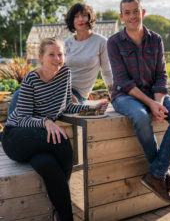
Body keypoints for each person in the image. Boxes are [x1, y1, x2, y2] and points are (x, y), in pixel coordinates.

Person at [1, 37, 108, 221]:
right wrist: (46, 122)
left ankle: (63, 213)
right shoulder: (31, 80)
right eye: (52, 54)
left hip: (39, 141)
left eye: (60, 54)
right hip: (15, 137)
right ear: (41, 57)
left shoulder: (65, 73)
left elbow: (66, 106)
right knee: (62, 140)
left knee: (48, 165)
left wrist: (91, 107)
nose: (57, 59)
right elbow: (22, 119)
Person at [107, 0, 170, 205]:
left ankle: (155, 174)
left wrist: (158, 101)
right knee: (140, 117)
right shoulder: (113, 42)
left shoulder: (156, 39)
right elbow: (122, 81)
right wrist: (151, 105)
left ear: (143, 12)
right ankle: (162, 174)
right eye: (127, 13)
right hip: (124, 95)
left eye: (135, 11)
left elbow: (161, 76)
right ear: (121, 16)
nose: (132, 16)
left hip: (153, 93)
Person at [65, 2, 113, 103]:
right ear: (72, 20)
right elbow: (58, 71)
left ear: (90, 18)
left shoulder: (101, 42)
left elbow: (107, 71)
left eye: (84, 15)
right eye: (76, 16)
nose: (80, 19)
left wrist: (113, 94)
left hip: (78, 94)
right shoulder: (67, 43)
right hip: (61, 89)